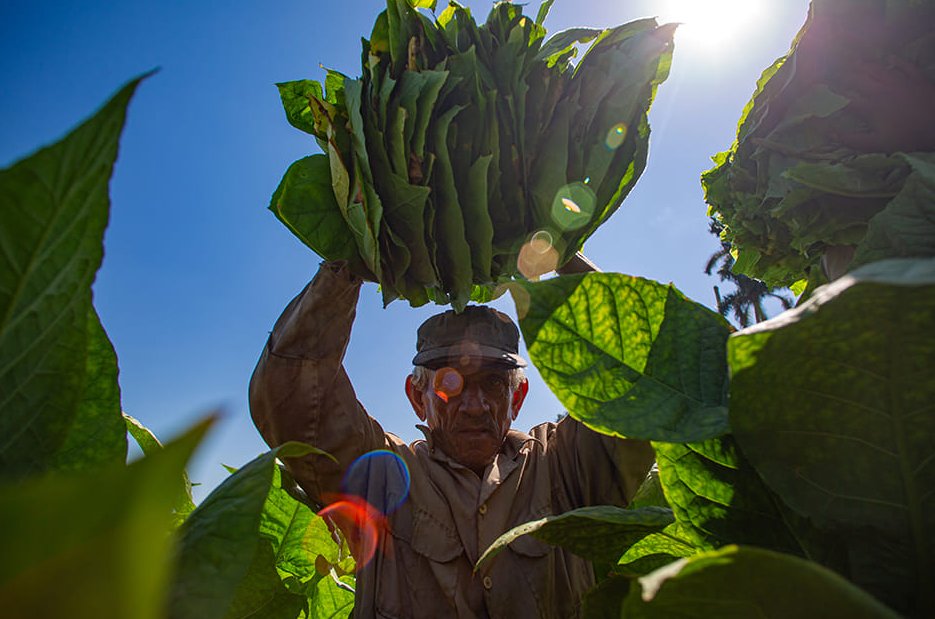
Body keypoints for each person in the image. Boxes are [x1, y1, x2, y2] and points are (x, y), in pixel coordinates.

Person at [250, 261, 656, 618]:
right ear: (416, 397)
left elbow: (652, 383)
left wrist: (563, 256)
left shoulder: (564, 464)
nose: (475, 405)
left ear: (516, 398)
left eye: (493, 383)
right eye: (450, 383)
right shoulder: (382, 474)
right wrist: (348, 266)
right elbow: (290, 391)